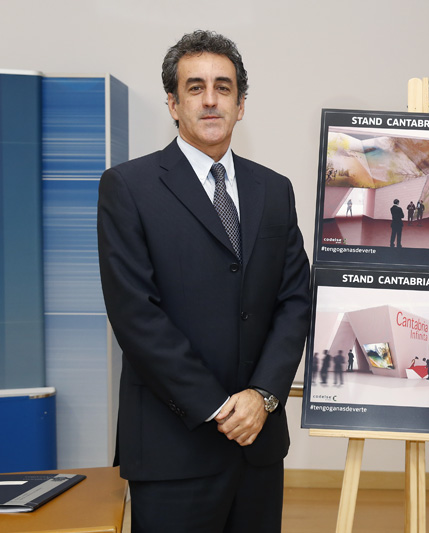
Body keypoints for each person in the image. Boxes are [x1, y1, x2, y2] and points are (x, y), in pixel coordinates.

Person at [97, 30, 311, 533]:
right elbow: (136, 314)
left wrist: (262, 396)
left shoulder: (274, 190)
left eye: (224, 86)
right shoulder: (128, 187)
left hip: (258, 445)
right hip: (175, 447)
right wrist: (217, 407)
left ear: (241, 104)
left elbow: (294, 300)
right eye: (195, 87)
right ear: (173, 103)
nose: (211, 99)